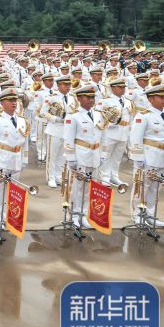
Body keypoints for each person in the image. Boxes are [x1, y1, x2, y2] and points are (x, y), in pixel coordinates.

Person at [0, 88, 30, 227]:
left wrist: (24, 159)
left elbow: (25, 142)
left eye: (15, 100)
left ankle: (9, 215)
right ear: (2, 103)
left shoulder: (22, 121)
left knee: (13, 190)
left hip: (16, 159)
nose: (14, 103)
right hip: (1, 159)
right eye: (10, 100)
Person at [128, 84, 164, 227]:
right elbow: (135, 138)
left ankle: (150, 214)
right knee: (141, 187)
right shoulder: (143, 116)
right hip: (148, 157)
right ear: (151, 99)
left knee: (155, 188)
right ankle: (137, 215)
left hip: (163, 157)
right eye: (161, 97)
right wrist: (139, 160)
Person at [63, 84, 104, 228]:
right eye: (88, 97)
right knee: (76, 188)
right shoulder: (73, 116)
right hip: (80, 156)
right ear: (79, 98)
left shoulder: (99, 114)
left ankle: (83, 214)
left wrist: (103, 155)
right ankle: (73, 215)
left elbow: (102, 135)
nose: (91, 100)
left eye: (93, 97)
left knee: (89, 188)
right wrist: (71, 158)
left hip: (94, 155)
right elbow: (68, 139)